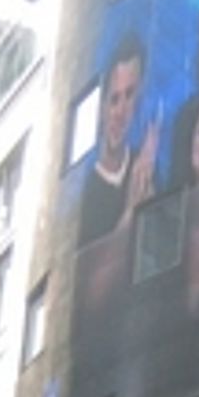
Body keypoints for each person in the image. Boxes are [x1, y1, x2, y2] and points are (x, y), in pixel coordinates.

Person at [78, 33, 159, 246]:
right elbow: (97, 271)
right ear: (101, 106)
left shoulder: (146, 169)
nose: (120, 112)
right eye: (114, 99)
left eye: (129, 95)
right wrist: (133, 208)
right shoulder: (87, 191)